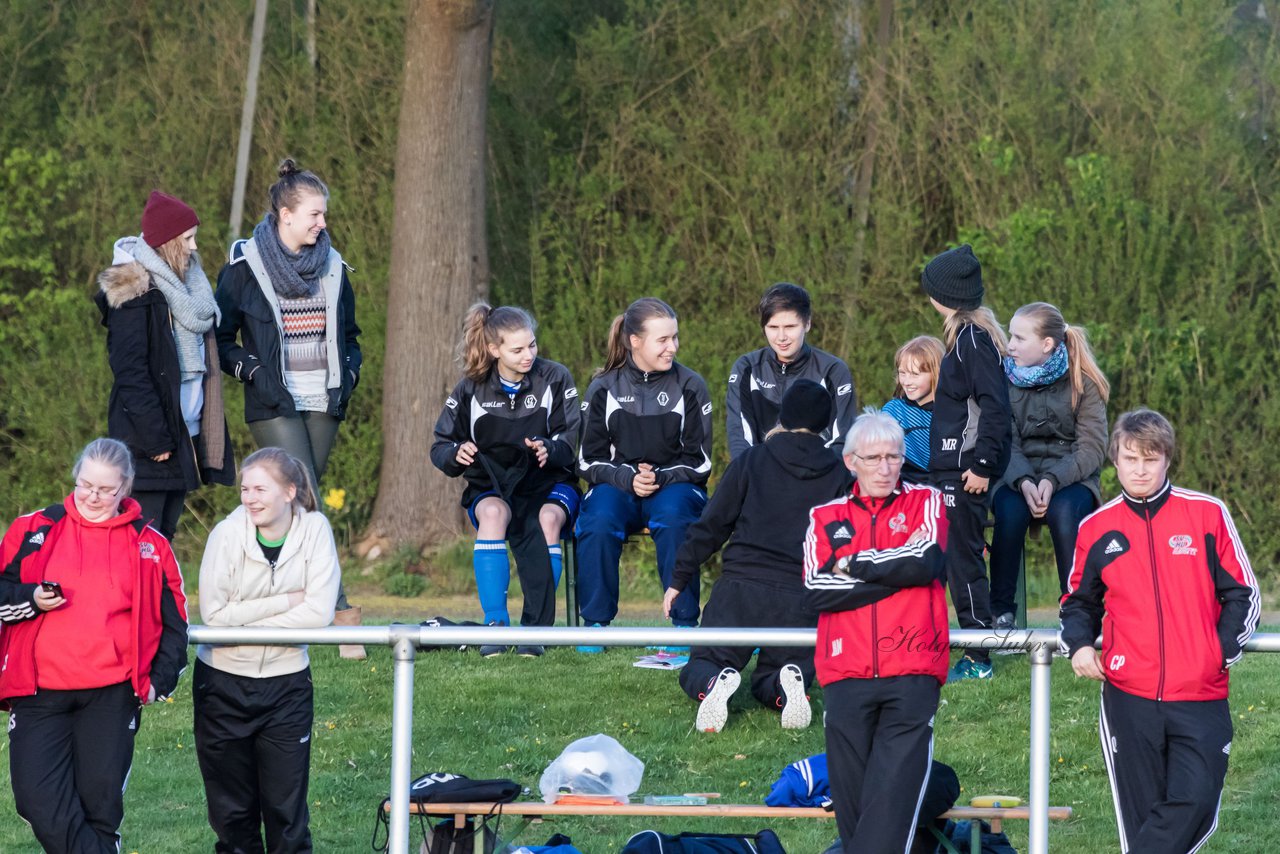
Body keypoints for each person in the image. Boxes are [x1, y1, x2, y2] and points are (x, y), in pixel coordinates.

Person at [1060, 409, 1259, 853]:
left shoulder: (1207, 514)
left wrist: (1217, 653)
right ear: (1115, 459)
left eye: (1150, 459)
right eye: (1130, 458)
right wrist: (1077, 646)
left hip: (1200, 693)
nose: (1140, 469)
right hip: (1129, 696)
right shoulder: (1096, 528)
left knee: (1195, 802)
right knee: (1143, 820)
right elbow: (1078, 602)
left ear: (1167, 459)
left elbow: (1244, 593)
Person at [0, 438, 188, 854]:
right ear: (75, 478)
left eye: (106, 489)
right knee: (36, 800)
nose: (93, 497)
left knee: (99, 805)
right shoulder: (34, 528)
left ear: (126, 488)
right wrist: (30, 599)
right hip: (39, 690)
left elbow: (176, 622)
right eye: (86, 485)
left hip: (111, 692)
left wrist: (159, 680)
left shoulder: (150, 544)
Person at [214, 158, 364, 657]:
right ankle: (341, 616)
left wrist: (352, 372)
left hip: (324, 401)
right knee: (308, 494)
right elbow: (221, 340)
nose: (322, 223)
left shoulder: (335, 266)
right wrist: (253, 374)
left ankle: (276, 597)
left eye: (323, 215)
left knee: (296, 503)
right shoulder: (242, 269)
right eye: (315, 214)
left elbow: (352, 337)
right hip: (272, 400)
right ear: (285, 213)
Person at [664, 380, 851, 733]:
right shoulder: (840, 473)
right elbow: (844, 543)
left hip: (741, 587)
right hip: (801, 594)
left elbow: (712, 525)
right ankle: (785, 684)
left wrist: (679, 577)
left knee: (705, 661)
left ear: (783, 414)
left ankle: (713, 682)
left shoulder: (751, 460)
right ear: (826, 424)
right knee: (780, 670)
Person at [803, 408, 949, 854]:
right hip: (845, 673)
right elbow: (816, 589)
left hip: (913, 669)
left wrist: (855, 563)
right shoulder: (825, 515)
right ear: (851, 462)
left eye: (894, 457)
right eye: (873, 458)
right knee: (855, 810)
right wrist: (895, 574)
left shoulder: (926, 501)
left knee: (890, 804)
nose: (885, 468)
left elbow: (926, 560)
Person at [194, 447, 341, 854]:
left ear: (290, 491)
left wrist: (246, 622)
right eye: (245, 489)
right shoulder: (226, 534)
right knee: (233, 815)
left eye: (261, 488)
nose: (250, 498)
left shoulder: (315, 530)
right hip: (222, 684)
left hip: (286, 686)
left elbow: (319, 613)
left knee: (286, 813)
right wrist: (285, 602)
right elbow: (214, 615)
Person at [430, 303, 581, 658]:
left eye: (532, 345)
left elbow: (572, 440)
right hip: (493, 487)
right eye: (517, 349)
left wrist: (549, 449)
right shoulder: (470, 388)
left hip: (550, 485)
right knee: (495, 514)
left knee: (547, 518)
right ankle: (495, 626)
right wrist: (457, 453)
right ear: (495, 350)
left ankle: (536, 630)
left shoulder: (556, 378)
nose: (528, 354)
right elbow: (440, 447)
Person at [95, 189, 235, 540]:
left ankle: (159, 597)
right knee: (143, 539)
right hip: (150, 441)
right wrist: (156, 439)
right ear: (168, 241)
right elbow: (131, 373)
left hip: (184, 433)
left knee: (164, 535)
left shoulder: (189, 287)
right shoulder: (134, 292)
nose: (194, 247)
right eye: (187, 238)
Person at [575, 297, 712, 648]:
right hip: (618, 485)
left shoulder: (691, 386)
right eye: (663, 340)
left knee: (675, 515)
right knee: (599, 518)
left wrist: (661, 478)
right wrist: (626, 478)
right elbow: (588, 462)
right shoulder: (603, 387)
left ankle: (683, 625)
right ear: (635, 341)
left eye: (675, 338)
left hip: (675, 486)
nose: (673, 347)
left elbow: (700, 462)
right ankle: (595, 626)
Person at [921, 244, 1011, 681]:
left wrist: (982, 464)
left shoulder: (974, 341)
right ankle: (948, 642)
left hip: (966, 471)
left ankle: (979, 656)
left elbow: (995, 407)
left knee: (964, 560)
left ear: (945, 294)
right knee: (950, 558)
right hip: (951, 469)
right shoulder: (962, 339)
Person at [990, 302, 1109, 630]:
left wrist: (1053, 480)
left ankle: (1075, 611)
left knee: (1065, 513)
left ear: (1047, 344)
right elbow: (1003, 441)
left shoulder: (1084, 383)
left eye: (1018, 337)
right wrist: (1025, 481)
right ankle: (1001, 613)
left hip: (1071, 478)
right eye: (1010, 336)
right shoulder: (1000, 380)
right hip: (1016, 476)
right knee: (1009, 513)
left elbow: (1092, 448)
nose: (1009, 344)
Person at [725, 282, 856, 458]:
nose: (781, 337)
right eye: (773, 327)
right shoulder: (746, 368)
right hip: (760, 476)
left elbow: (842, 441)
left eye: (790, 327)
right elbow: (739, 438)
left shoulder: (833, 371)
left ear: (807, 323)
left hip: (817, 477)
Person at [882, 335, 944, 485]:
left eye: (915, 374)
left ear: (936, 373)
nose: (907, 382)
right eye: (903, 373)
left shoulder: (952, 414)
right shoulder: (892, 411)